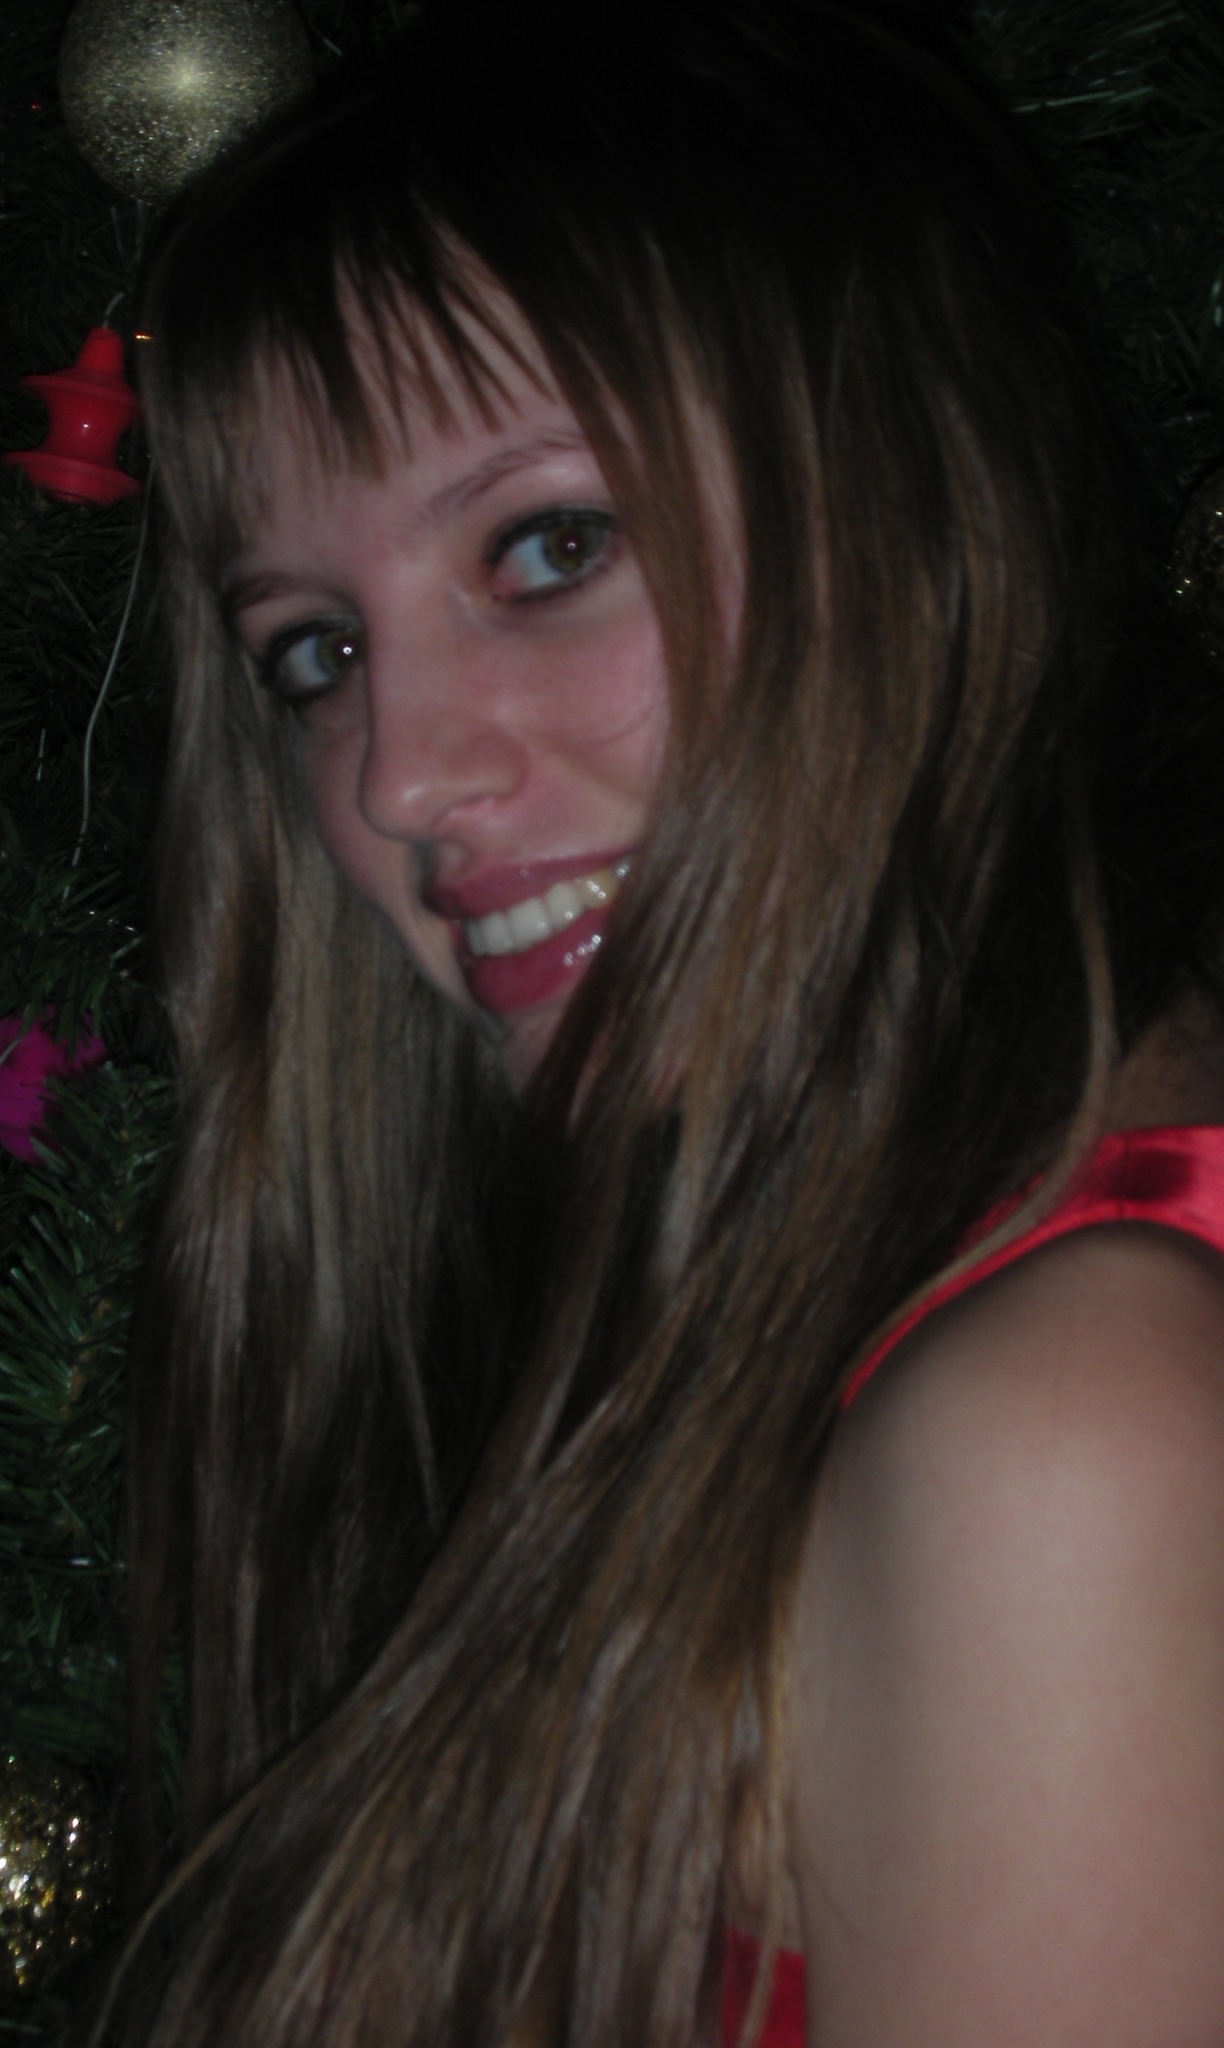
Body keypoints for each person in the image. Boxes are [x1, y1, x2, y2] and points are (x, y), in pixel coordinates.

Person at [116, 1, 1224, 2041]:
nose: (399, 778)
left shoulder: (1059, 1434)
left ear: (917, 502)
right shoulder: (764, 1314)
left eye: (550, 545)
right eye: (317, 651)